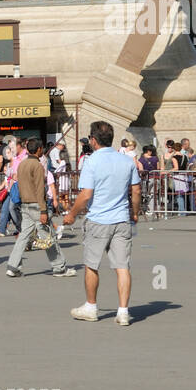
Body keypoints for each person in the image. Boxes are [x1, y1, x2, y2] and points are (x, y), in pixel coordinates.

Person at [64, 120, 141, 326]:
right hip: (121, 218)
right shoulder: (126, 161)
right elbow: (136, 191)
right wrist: (135, 212)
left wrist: (71, 213)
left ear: (93, 140)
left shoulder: (92, 161)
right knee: (122, 266)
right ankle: (123, 311)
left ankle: (91, 306)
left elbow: (86, 194)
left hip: (98, 218)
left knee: (92, 264)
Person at [5, 138, 76, 278]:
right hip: (37, 206)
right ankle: (59, 267)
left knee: (23, 237)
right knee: (48, 237)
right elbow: (39, 189)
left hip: (25, 205)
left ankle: (13, 266)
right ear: (38, 149)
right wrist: (43, 210)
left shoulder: (22, 165)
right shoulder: (37, 165)